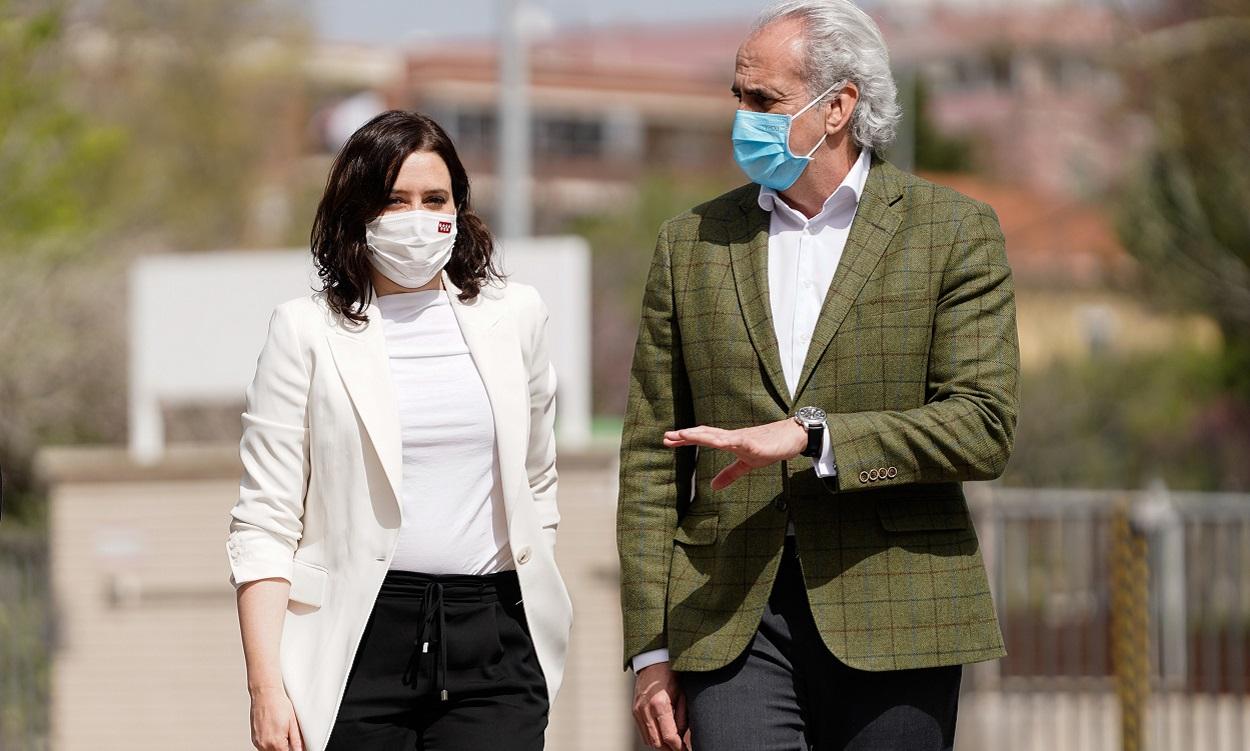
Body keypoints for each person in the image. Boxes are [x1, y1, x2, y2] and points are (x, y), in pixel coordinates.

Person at [617, 2, 1019, 750]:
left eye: (763, 99)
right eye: (737, 96)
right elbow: (649, 458)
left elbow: (982, 425)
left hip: (899, 607)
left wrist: (814, 436)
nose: (742, 117)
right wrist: (650, 650)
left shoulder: (953, 231)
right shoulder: (690, 244)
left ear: (838, 106)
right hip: (730, 615)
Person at [226, 110, 571, 751]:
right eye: (394, 200)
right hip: (357, 640)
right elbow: (266, 519)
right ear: (357, 213)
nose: (417, 217)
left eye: (434, 199)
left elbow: (537, 478)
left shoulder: (517, 316)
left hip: (493, 638)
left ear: (458, 208)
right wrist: (265, 687)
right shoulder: (304, 331)